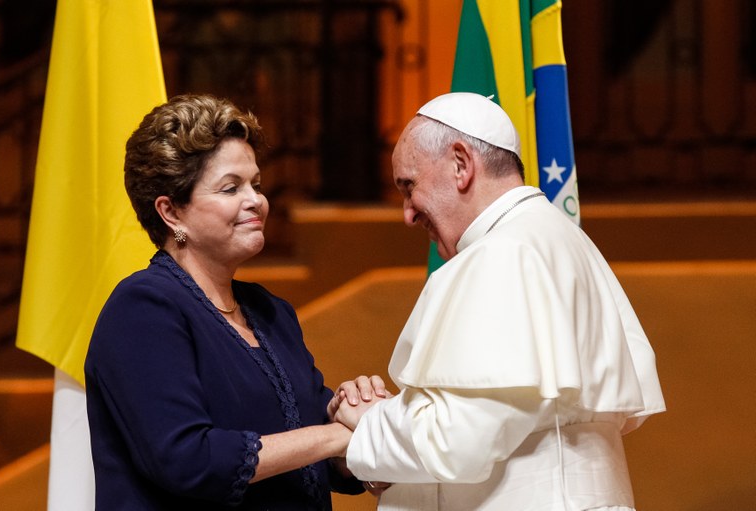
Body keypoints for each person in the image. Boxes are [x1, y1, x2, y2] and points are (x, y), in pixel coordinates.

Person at [332, 92, 666, 510]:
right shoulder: (558, 238)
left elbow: (456, 444)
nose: (407, 213)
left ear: (461, 164)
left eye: (409, 186)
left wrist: (369, 421)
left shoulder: (503, 254)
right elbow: (502, 417)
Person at [84, 93, 386, 510]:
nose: (256, 200)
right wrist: (340, 434)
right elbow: (188, 459)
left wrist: (364, 413)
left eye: (256, 185)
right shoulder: (143, 308)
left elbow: (324, 461)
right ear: (171, 212)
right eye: (231, 188)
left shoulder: (271, 311)